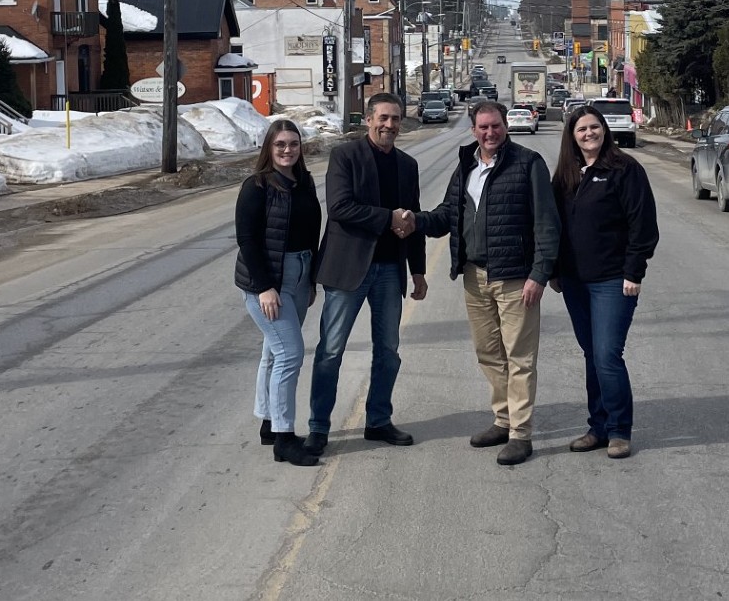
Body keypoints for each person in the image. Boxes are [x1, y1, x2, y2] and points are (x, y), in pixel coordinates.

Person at [413, 100, 560, 466]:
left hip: (515, 278)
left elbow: (547, 223)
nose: (490, 133)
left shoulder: (528, 164)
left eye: (495, 126)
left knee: (520, 358)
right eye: (483, 127)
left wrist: (539, 274)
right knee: (489, 354)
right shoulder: (466, 166)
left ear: (505, 126)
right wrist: (414, 221)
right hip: (474, 277)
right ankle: (503, 419)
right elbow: (448, 214)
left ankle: (521, 434)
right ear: (473, 130)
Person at [304, 93, 427, 456]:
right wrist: (387, 218)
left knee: (388, 350)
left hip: (390, 269)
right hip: (348, 269)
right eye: (384, 118)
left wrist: (418, 270)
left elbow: (414, 219)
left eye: (396, 119)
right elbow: (340, 208)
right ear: (369, 119)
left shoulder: (407, 165)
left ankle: (378, 420)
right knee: (330, 351)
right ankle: (318, 428)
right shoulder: (345, 156)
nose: (390, 125)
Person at [550, 105, 659, 459]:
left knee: (607, 354)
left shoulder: (624, 170)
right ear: (572, 136)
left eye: (594, 127)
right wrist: (553, 270)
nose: (589, 134)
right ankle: (597, 427)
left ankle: (619, 431)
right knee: (591, 355)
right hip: (575, 282)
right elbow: (555, 227)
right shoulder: (566, 175)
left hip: (613, 281)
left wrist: (634, 272)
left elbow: (643, 226)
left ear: (605, 130)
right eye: (581, 129)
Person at [235, 119, 321, 467]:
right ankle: (285, 439)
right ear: (269, 148)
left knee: (274, 352)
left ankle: (269, 423)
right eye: (280, 144)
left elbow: (311, 231)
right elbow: (248, 239)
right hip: (270, 280)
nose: (288, 150)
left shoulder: (305, 182)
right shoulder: (256, 186)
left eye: (294, 144)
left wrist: (311, 278)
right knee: (290, 354)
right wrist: (264, 287)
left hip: (300, 275)